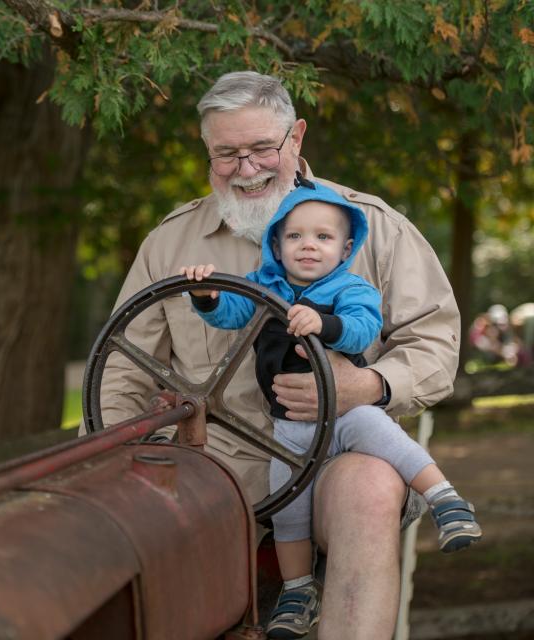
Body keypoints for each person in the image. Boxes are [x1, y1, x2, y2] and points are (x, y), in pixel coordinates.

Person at [92, 71, 461, 639]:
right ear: (208, 153)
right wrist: (112, 453)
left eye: (262, 147)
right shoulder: (170, 243)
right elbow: (122, 370)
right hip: (209, 466)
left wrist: (367, 386)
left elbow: (434, 341)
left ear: (297, 138)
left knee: (370, 487)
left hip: (333, 452)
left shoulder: (372, 228)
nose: (247, 168)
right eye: (227, 154)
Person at [180, 179, 481, 638]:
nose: (309, 247)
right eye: (295, 237)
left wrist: (325, 323)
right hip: (290, 426)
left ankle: (446, 500)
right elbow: (232, 314)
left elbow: (362, 330)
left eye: (323, 238)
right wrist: (207, 297)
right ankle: (299, 591)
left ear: (344, 249)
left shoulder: (349, 288)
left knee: (385, 438)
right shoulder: (263, 286)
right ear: (276, 246)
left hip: (344, 412)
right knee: (288, 508)